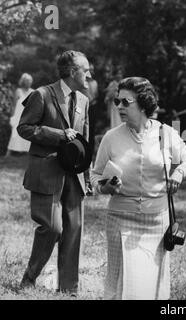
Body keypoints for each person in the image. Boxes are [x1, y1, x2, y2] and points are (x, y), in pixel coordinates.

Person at [90, 77, 186, 300]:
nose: (119, 106)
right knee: (121, 286)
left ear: (143, 103)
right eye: (117, 101)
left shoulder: (165, 133)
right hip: (120, 219)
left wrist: (178, 173)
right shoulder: (111, 138)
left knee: (152, 287)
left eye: (125, 102)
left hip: (157, 221)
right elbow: (95, 175)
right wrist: (105, 187)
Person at [17, 50, 91, 295]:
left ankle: (69, 289)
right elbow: (24, 127)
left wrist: (87, 178)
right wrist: (58, 135)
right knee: (53, 228)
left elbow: (85, 142)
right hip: (46, 171)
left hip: (75, 175)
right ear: (72, 72)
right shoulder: (41, 94)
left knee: (73, 230)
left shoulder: (84, 101)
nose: (90, 75)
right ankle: (30, 277)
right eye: (86, 70)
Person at [6, 73, 34, 155]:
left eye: (30, 81)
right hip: (18, 116)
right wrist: (12, 117)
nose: (29, 82)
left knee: (27, 133)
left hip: (28, 116)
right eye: (27, 81)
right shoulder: (18, 91)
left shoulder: (33, 92)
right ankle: (9, 153)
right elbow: (14, 105)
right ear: (23, 82)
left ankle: (26, 152)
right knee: (14, 134)